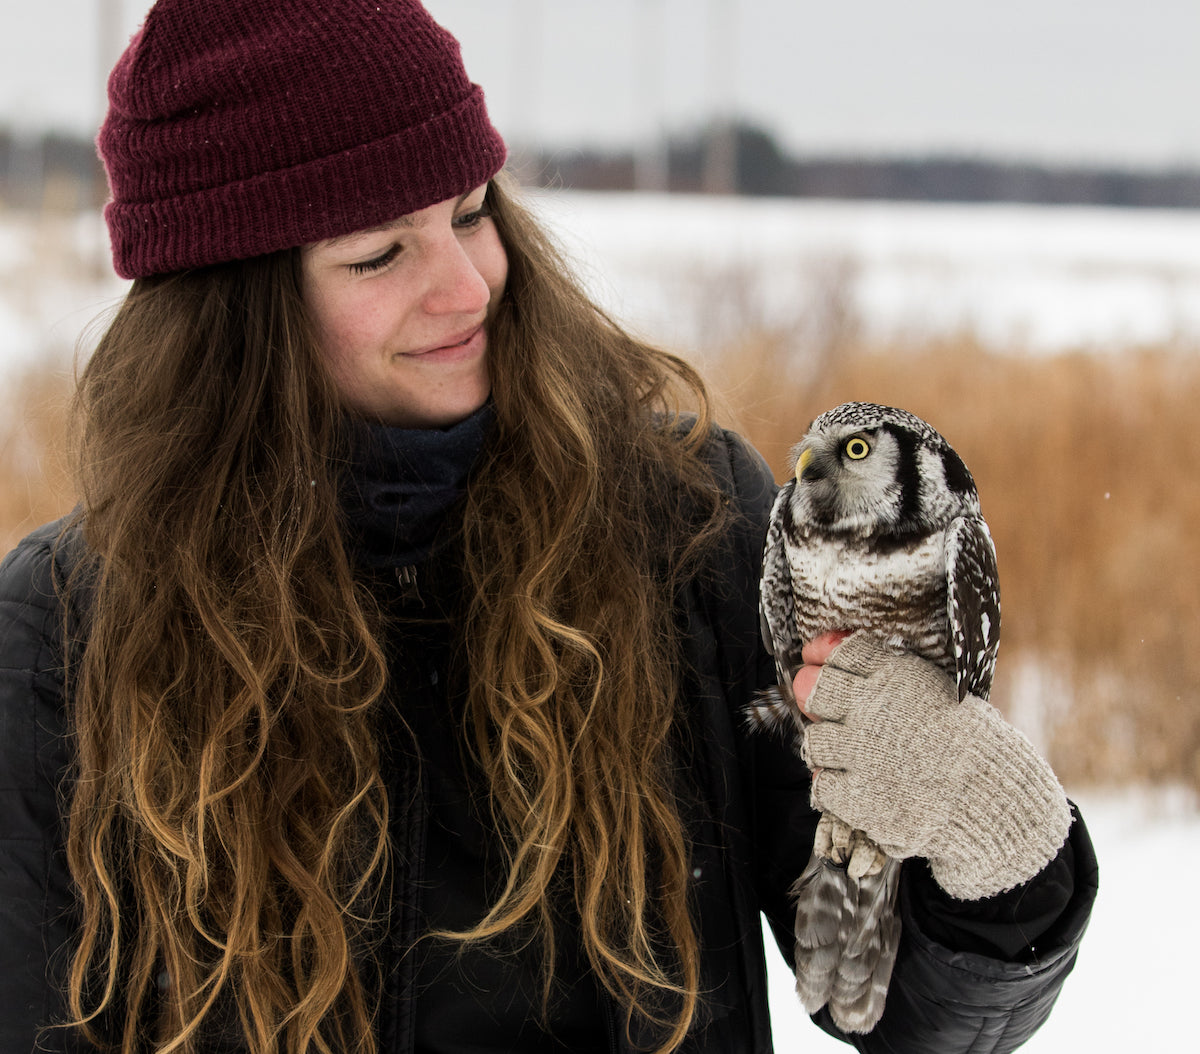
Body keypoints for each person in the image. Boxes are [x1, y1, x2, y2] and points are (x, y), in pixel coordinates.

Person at [0, 2, 1097, 1052]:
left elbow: (889, 999)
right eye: (379, 254)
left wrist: (997, 856)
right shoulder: (65, 632)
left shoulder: (684, 526)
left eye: (472, 212)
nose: (468, 285)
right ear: (232, 313)